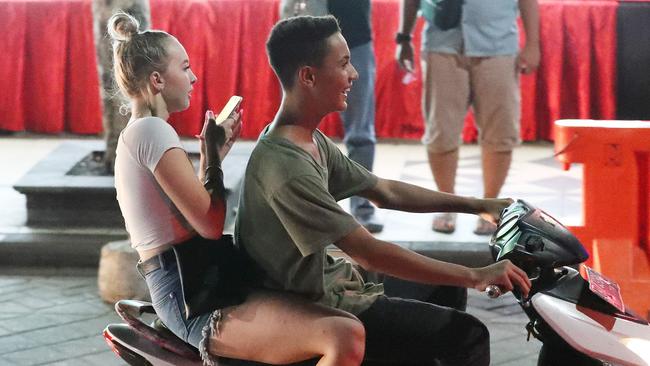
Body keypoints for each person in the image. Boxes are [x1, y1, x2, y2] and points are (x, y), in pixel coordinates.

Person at [237, 15, 532, 365]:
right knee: (467, 334)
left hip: (335, 284)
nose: (354, 75)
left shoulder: (308, 139)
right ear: (309, 76)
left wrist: (479, 205)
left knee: (445, 289)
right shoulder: (286, 166)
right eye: (344, 64)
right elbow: (369, 253)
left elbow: (385, 191)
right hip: (314, 303)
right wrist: (476, 275)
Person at [108, 11, 366, 366]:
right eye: (184, 68)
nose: (193, 76)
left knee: (340, 320)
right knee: (343, 335)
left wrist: (210, 156)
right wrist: (213, 158)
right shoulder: (152, 131)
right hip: (192, 293)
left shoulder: (141, 132)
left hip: (193, 279)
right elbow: (210, 224)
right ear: (157, 80)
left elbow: (187, 213)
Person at [396, 0, 540, 235]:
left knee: (500, 132)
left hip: (498, 46)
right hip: (442, 45)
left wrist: (533, 44)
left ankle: (491, 205)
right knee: (440, 131)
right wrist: (404, 38)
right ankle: (447, 204)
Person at [280, 0, 383, 233]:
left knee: (361, 132)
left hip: (354, 37)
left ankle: (362, 205)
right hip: (303, 39)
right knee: (295, 128)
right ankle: (295, 206)